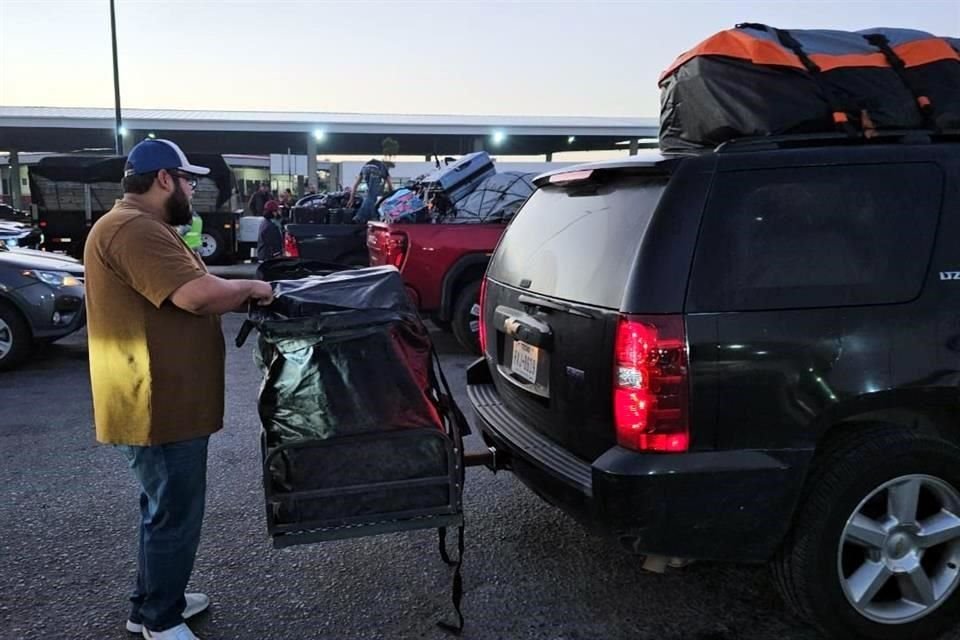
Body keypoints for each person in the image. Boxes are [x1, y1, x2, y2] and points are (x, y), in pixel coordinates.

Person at [83, 138, 274, 640]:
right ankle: (160, 620)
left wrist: (234, 283)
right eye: (188, 180)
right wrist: (255, 288)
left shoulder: (142, 227)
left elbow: (199, 280)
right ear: (164, 179)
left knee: (160, 507)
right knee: (175, 512)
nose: (192, 189)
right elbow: (194, 295)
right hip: (156, 403)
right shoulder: (134, 229)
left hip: (159, 399)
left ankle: (149, 601)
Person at [347, 158, 393, 223]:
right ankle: (360, 216)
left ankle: (371, 217)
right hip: (375, 169)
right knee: (371, 196)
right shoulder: (384, 168)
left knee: (371, 196)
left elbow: (356, 185)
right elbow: (390, 185)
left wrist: (351, 199)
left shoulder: (371, 165)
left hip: (365, 168)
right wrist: (392, 195)